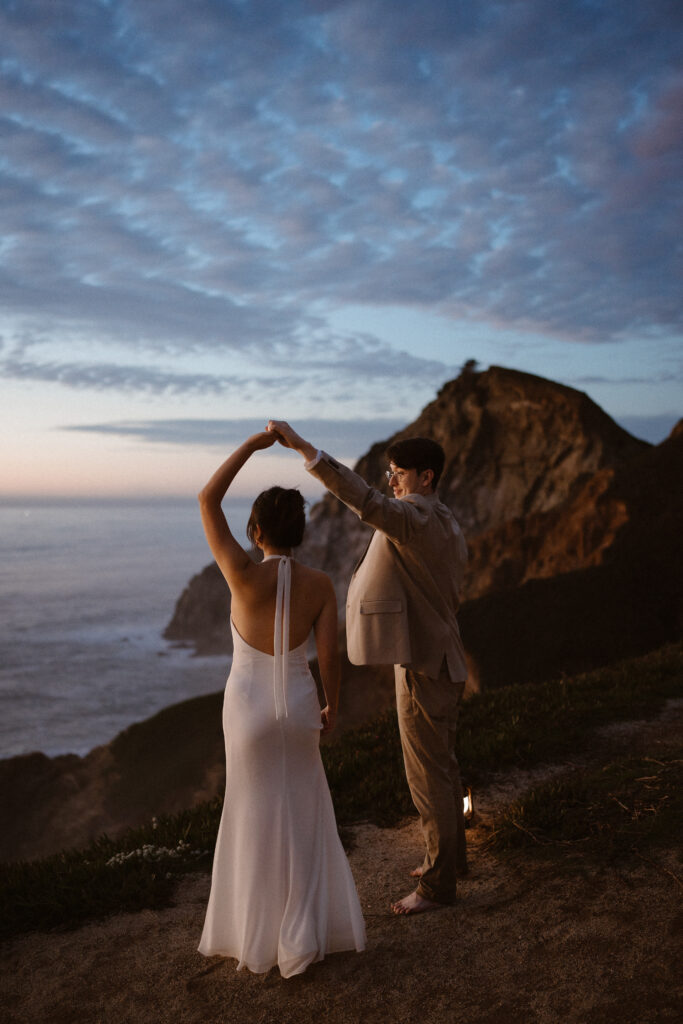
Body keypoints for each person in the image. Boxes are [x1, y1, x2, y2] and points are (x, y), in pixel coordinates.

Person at [267, 421, 468, 916]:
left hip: (425, 665)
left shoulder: (415, 519)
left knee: (428, 775)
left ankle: (439, 886)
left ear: (427, 476)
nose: (392, 481)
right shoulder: (443, 518)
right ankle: (447, 861)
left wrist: (306, 450)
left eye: (399, 473)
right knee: (439, 767)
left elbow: (365, 500)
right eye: (390, 472)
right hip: (435, 659)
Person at [197, 431, 365, 977]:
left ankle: (256, 938)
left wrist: (254, 444)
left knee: (250, 815)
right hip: (297, 707)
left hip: (246, 710)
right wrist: (331, 707)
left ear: (256, 531)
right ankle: (306, 932)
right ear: (301, 532)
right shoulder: (320, 584)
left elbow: (206, 498)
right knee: (304, 818)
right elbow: (329, 658)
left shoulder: (241, 574)